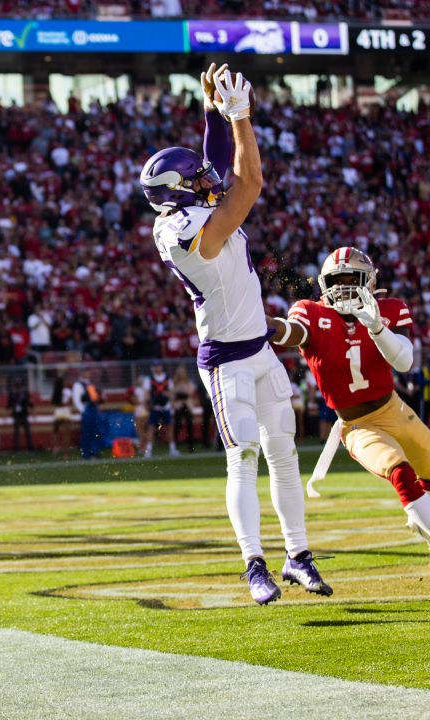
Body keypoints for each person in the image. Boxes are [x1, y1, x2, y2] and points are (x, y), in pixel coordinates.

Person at [141, 63, 328, 605]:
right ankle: (254, 565)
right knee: (242, 454)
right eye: (196, 180)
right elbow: (249, 183)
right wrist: (241, 118)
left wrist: (212, 113)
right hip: (225, 360)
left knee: (284, 454)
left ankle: (299, 556)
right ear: (175, 196)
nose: (207, 180)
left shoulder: (187, 205)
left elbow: (220, 165)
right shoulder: (182, 232)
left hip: (261, 350)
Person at [270, 247, 430, 585]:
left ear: (368, 282)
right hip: (356, 424)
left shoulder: (388, 310)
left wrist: (376, 328)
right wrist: (264, 326)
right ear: (324, 285)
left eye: (351, 280)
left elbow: (405, 362)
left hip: (394, 408)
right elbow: (291, 333)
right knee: (400, 472)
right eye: (336, 282)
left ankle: (429, 528)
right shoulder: (312, 313)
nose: (343, 289)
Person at [142, 363, 180, 457]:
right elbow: (146, 393)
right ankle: (148, 450)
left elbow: (172, 392)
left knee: (169, 428)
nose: (157, 368)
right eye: (155, 366)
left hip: (166, 406)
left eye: (158, 366)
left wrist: (170, 399)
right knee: (151, 428)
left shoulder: (167, 379)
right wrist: (148, 403)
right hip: (155, 407)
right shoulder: (149, 379)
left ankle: (172, 449)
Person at [72, 372, 103, 459]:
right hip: (87, 409)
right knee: (87, 433)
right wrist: (83, 411)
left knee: (96, 432)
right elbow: (76, 399)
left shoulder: (89, 383)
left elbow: (94, 398)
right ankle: (86, 453)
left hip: (93, 409)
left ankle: (95, 451)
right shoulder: (78, 385)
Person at [172, 365, 196, 453]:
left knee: (189, 425)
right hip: (178, 406)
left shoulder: (188, 383)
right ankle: (174, 444)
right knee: (177, 425)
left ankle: (190, 446)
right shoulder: (174, 383)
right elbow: (173, 395)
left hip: (186, 406)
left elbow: (189, 393)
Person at [51, 376, 73, 458]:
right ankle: (65, 454)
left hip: (58, 411)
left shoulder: (56, 391)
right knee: (66, 434)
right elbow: (70, 402)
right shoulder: (67, 391)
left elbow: (53, 403)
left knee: (55, 432)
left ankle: (55, 448)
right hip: (65, 412)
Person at [7, 385, 34, 452]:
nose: (18, 388)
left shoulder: (25, 394)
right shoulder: (13, 394)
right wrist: (5, 413)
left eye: (19, 386)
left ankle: (29, 448)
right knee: (16, 433)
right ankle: (16, 448)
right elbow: (9, 404)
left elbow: (29, 403)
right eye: (17, 387)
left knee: (27, 433)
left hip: (24, 415)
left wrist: (33, 411)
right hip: (16, 416)